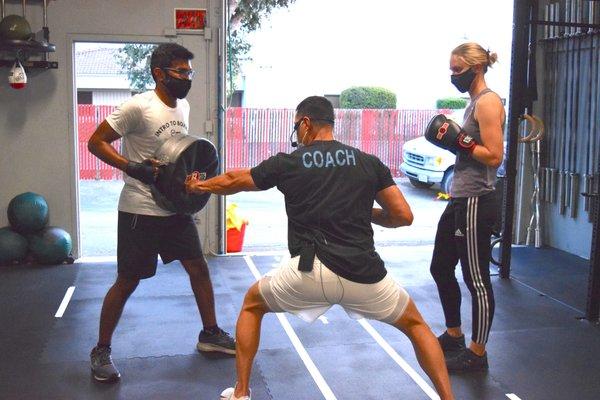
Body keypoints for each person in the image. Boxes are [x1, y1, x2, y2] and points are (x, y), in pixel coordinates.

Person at [186, 96, 455, 400]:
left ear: (306, 124)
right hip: (365, 275)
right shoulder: (368, 162)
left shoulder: (289, 162)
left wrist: (200, 186)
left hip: (309, 273)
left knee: (252, 304)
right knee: (417, 325)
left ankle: (241, 392)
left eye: (296, 126)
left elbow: (237, 179)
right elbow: (403, 216)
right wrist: (364, 211)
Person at [87, 43, 235, 383]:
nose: (187, 78)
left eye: (189, 72)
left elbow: (180, 156)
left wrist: (192, 181)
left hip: (175, 207)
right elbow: (96, 142)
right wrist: (133, 167)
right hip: (140, 207)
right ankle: (101, 350)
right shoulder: (138, 106)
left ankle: (209, 334)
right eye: (181, 72)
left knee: (198, 267)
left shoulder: (181, 106)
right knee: (128, 281)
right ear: (159, 73)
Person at [425, 42, 505, 372]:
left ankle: (477, 352)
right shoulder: (472, 103)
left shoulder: (487, 102)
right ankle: (454, 334)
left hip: (476, 199)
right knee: (441, 267)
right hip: (459, 197)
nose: (453, 75)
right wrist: (458, 143)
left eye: (457, 69)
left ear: (476, 68)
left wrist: (462, 143)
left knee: (477, 279)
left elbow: (495, 156)